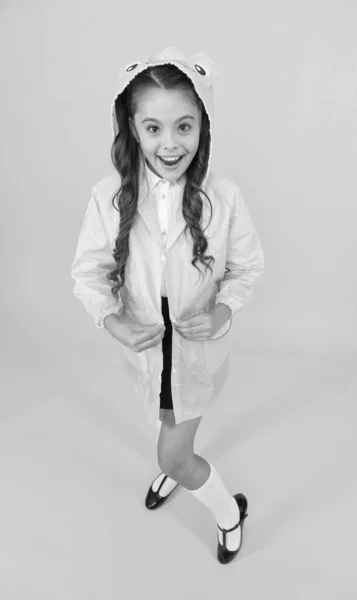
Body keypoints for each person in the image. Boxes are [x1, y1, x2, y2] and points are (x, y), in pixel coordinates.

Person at [70, 46, 264, 564]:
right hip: (148, 353)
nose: (170, 143)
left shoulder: (224, 198)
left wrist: (223, 311)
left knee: (173, 450)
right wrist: (112, 322)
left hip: (197, 356)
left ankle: (227, 510)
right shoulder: (107, 197)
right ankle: (176, 462)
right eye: (153, 127)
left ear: (203, 126)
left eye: (185, 126)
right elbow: (88, 273)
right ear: (132, 128)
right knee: (162, 413)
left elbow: (247, 268)